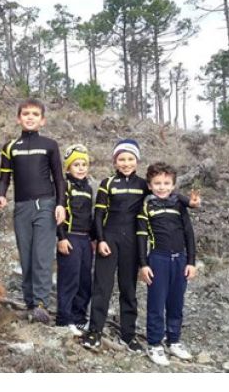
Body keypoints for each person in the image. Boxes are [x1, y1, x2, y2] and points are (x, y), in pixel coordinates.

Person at [81, 139, 199, 351]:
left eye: (130, 159)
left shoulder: (144, 185)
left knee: (128, 288)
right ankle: (94, 331)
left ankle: (128, 335)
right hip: (109, 239)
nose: (126, 163)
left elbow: (169, 193)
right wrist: (100, 239)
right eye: (121, 159)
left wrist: (189, 202)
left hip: (132, 242)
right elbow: (98, 214)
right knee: (102, 287)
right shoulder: (108, 183)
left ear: (137, 161)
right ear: (115, 162)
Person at [0, 98, 66, 323]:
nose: (30, 117)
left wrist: (60, 204)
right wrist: (0, 194)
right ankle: (30, 303)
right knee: (26, 256)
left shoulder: (50, 145)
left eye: (35, 114)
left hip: (45, 205)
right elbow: (4, 177)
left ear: (42, 120)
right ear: (18, 118)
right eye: (25, 113)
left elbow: (59, 178)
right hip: (22, 207)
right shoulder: (10, 147)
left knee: (42, 256)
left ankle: (41, 304)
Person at [137, 162, 197, 366]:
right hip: (158, 259)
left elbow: (189, 234)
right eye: (157, 183)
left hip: (180, 260)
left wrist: (191, 262)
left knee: (176, 303)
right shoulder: (146, 206)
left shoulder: (179, 205)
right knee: (156, 304)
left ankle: (174, 341)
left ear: (173, 185)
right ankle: (154, 344)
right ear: (149, 185)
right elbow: (141, 237)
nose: (162, 187)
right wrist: (143, 264)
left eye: (166, 183)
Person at [55, 144, 94, 336]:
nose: (80, 168)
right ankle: (64, 319)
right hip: (70, 237)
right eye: (76, 165)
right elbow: (58, 214)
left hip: (85, 239)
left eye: (83, 164)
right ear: (68, 167)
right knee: (69, 280)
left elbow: (90, 216)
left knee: (84, 280)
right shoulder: (64, 185)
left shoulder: (89, 188)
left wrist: (94, 238)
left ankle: (79, 318)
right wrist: (61, 238)